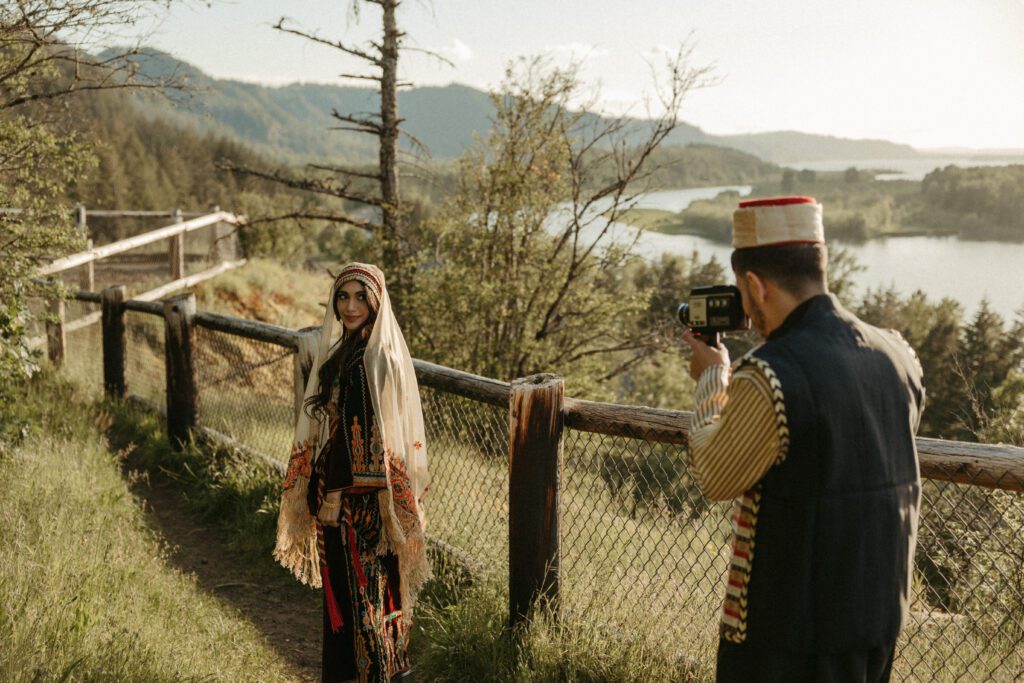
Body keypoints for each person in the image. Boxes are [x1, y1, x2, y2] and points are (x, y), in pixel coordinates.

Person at [681, 197, 925, 682]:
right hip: (877, 623)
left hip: (788, 641)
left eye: (742, 292)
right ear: (820, 265)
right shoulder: (897, 354)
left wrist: (713, 379)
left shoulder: (769, 374)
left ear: (754, 284)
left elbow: (713, 474)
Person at [274, 262, 430, 683]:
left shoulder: (370, 358)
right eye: (343, 296)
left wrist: (334, 494)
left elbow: (368, 435)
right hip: (362, 500)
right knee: (367, 597)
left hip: (355, 504)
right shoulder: (357, 350)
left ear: (378, 299)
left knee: (363, 599)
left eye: (361, 296)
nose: (351, 305)